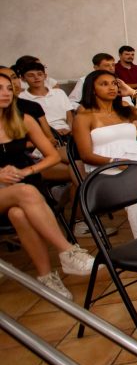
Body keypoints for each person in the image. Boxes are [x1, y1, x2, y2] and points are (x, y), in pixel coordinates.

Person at [0, 72, 95, 299]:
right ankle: (67, 251)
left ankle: (46, 278)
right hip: (11, 190)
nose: (5, 93)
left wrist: (26, 170)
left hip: (23, 190)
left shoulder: (21, 119)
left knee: (19, 213)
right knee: (26, 191)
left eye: (7, 88)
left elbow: (51, 155)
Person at [72, 70, 137, 237]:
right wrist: (115, 161)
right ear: (92, 89)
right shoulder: (84, 116)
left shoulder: (123, 109)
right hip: (108, 168)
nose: (112, 87)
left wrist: (132, 92)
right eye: (104, 84)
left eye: (114, 83)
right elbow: (85, 155)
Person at [19, 61, 73, 136]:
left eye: (40, 74)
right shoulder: (21, 98)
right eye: (31, 75)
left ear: (45, 76)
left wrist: (70, 130)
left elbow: (69, 117)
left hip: (66, 132)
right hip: (40, 135)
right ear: (23, 79)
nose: (36, 78)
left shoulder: (59, 93)